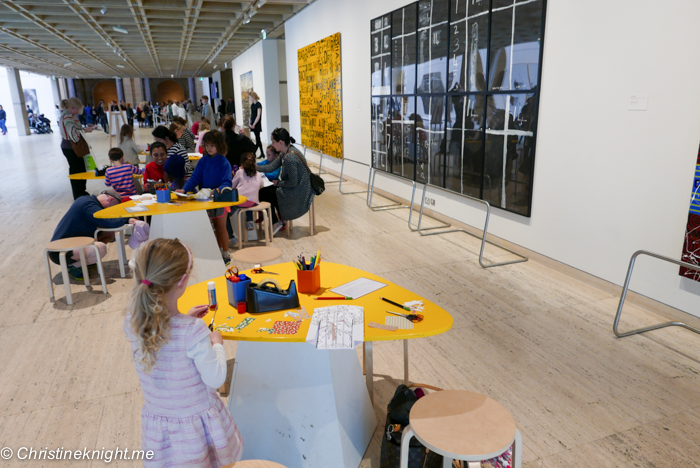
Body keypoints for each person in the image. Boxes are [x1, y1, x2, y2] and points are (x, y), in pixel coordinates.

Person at [124, 238, 243, 466]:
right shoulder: (192, 332)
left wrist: (184, 320)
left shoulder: (133, 322)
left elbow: (165, 336)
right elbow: (216, 378)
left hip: (160, 427)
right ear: (184, 281)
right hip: (196, 431)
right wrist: (216, 343)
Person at [50, 190, 135, 281]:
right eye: (114, 206)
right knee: (100, 248)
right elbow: (109, 221)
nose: (112, 210)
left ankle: (83, 259)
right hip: (59, 252)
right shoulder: (89, 205)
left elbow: (109, 222)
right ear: (110, 199)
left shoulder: (89, 201)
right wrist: (127, 218)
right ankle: (72, 265)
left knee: (110, 234)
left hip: (71, 243)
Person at [176, 130, 233, 264]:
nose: (209, 148)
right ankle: (215, 252)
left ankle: (225, 254)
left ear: (219, 145)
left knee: (221, 227)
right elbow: (194, 178)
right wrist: (184, 189)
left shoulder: (224, 162)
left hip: (220, 200)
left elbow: (227, 181)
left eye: (212, 145)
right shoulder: (203, 161)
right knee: (208, 228)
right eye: (207, 145)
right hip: (206, 200)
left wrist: (218, 190)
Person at [256, 128, 314, 233]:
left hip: (299, 191)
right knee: (266, 191)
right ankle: (278, 221)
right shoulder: (285, 151)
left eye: (273, 142)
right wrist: (254, 167)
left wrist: (278, 183)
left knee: (264, 193)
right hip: (296, 187)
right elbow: (271, 167)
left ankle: (276, 222)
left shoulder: (290, 157)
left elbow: (293, 182)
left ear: (281, 142)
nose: (272, 145)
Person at [59, 97, 95, 200]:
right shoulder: (68, 118)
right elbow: (74, 135)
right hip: (72, 147)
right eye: (77, 109)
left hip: (68, 146)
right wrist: (84, 131)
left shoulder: (65, 116)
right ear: (71, 108)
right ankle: (79, 193)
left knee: (77, 169)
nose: (79, 112)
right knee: (78, 171)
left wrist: (83, 129)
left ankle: (80, 192)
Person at [227, 152, 264, 245]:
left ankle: (231, 238)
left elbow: (231, 186)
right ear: (255, 163)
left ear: (241, 164)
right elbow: (262, 184)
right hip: (253, 202)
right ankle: (250, 220)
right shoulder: (258, 174)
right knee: (249, 199)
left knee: (225, 214)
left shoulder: (240, 172)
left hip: (240, 202)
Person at [248, 91, 263, 157]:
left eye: (250, 97)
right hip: (252, 123)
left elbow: (258, 116)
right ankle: (262, 153)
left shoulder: (258, 105)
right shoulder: (252, 105)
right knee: (258, 138)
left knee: (257, 138)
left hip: (257, 124)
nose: (249, 99)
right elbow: (251, 115)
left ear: (253, 97)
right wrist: (249, 122)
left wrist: (254, 124)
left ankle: (254, 152)